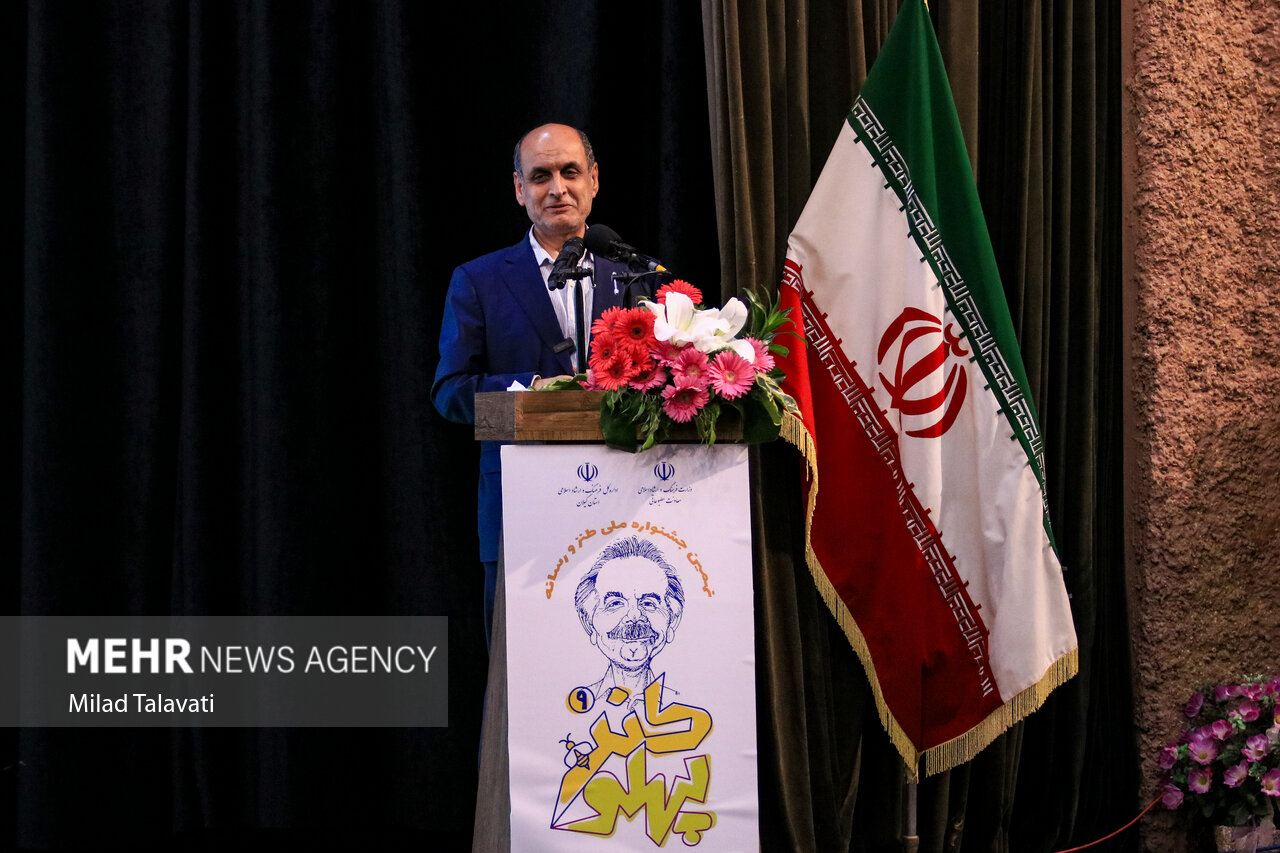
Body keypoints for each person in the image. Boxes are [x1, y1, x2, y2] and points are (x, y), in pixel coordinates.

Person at [432, 123, 651, 642]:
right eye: (540, 176)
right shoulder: (480, 280)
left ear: (593, 180)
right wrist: (534, 390)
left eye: (570, 172)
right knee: (523, 669)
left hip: (627, 509)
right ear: (519, 188)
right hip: (520, 511)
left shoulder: (635, 276)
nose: (558, 188)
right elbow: (450, 393)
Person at [573, 536, 683, 712]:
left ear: (673, 620)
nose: (634, 616)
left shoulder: (682, 702)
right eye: (615, 603)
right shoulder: (577, 703)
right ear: (588, 622)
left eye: (649, 603)